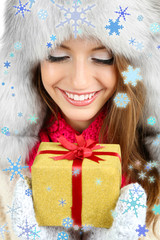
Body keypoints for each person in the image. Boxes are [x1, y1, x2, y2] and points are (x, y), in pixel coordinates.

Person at [0, 0, 160, 239]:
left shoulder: (152, 176)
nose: (79, 81)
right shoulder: (9, 177)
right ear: (31, 64)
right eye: (57, 55)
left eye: (103, 58)